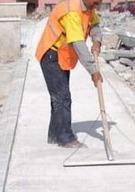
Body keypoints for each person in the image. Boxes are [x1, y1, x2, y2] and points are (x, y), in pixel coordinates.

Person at [35, 0, 103, 148]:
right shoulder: (71, 12)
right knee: (62, 97)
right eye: (96, 2)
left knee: (59, 98)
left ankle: (55, 135)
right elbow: (78, 44)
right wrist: (93, 71)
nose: (97, 5)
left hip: (61, 55)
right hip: (50, 55)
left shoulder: (89, 7)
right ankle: (66, 138)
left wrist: (97, 41)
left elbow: (95, 25)